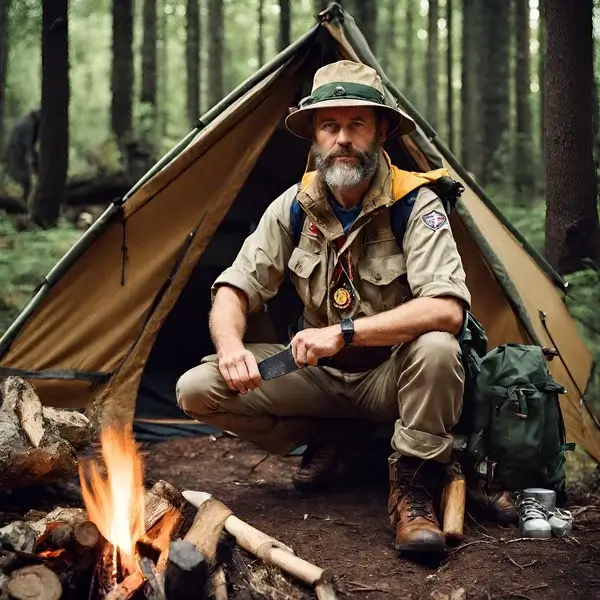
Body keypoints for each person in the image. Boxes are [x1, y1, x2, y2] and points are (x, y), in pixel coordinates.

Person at [176, 61, 515, 554]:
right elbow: (235, 286)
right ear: (314, 135)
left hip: (392, 375)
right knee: (197, 388)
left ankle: (413, 486)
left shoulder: (414, 204)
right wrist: (230, 346)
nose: (342, 139)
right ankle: (328, 438)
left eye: (356, 124)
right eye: (330, 125)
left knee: (440, 348)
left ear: (380, 132)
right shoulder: (294, 205)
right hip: (319, 377)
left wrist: (346, 332)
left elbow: (446, 310)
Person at [3, 109, 41, 204]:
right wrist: (36, 165)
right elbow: (29, 148)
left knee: (21, 180)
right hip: (15, 153)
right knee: (25, 181)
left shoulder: (26, 121)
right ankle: (21, 205)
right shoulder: (29, 125)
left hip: (13, 151)